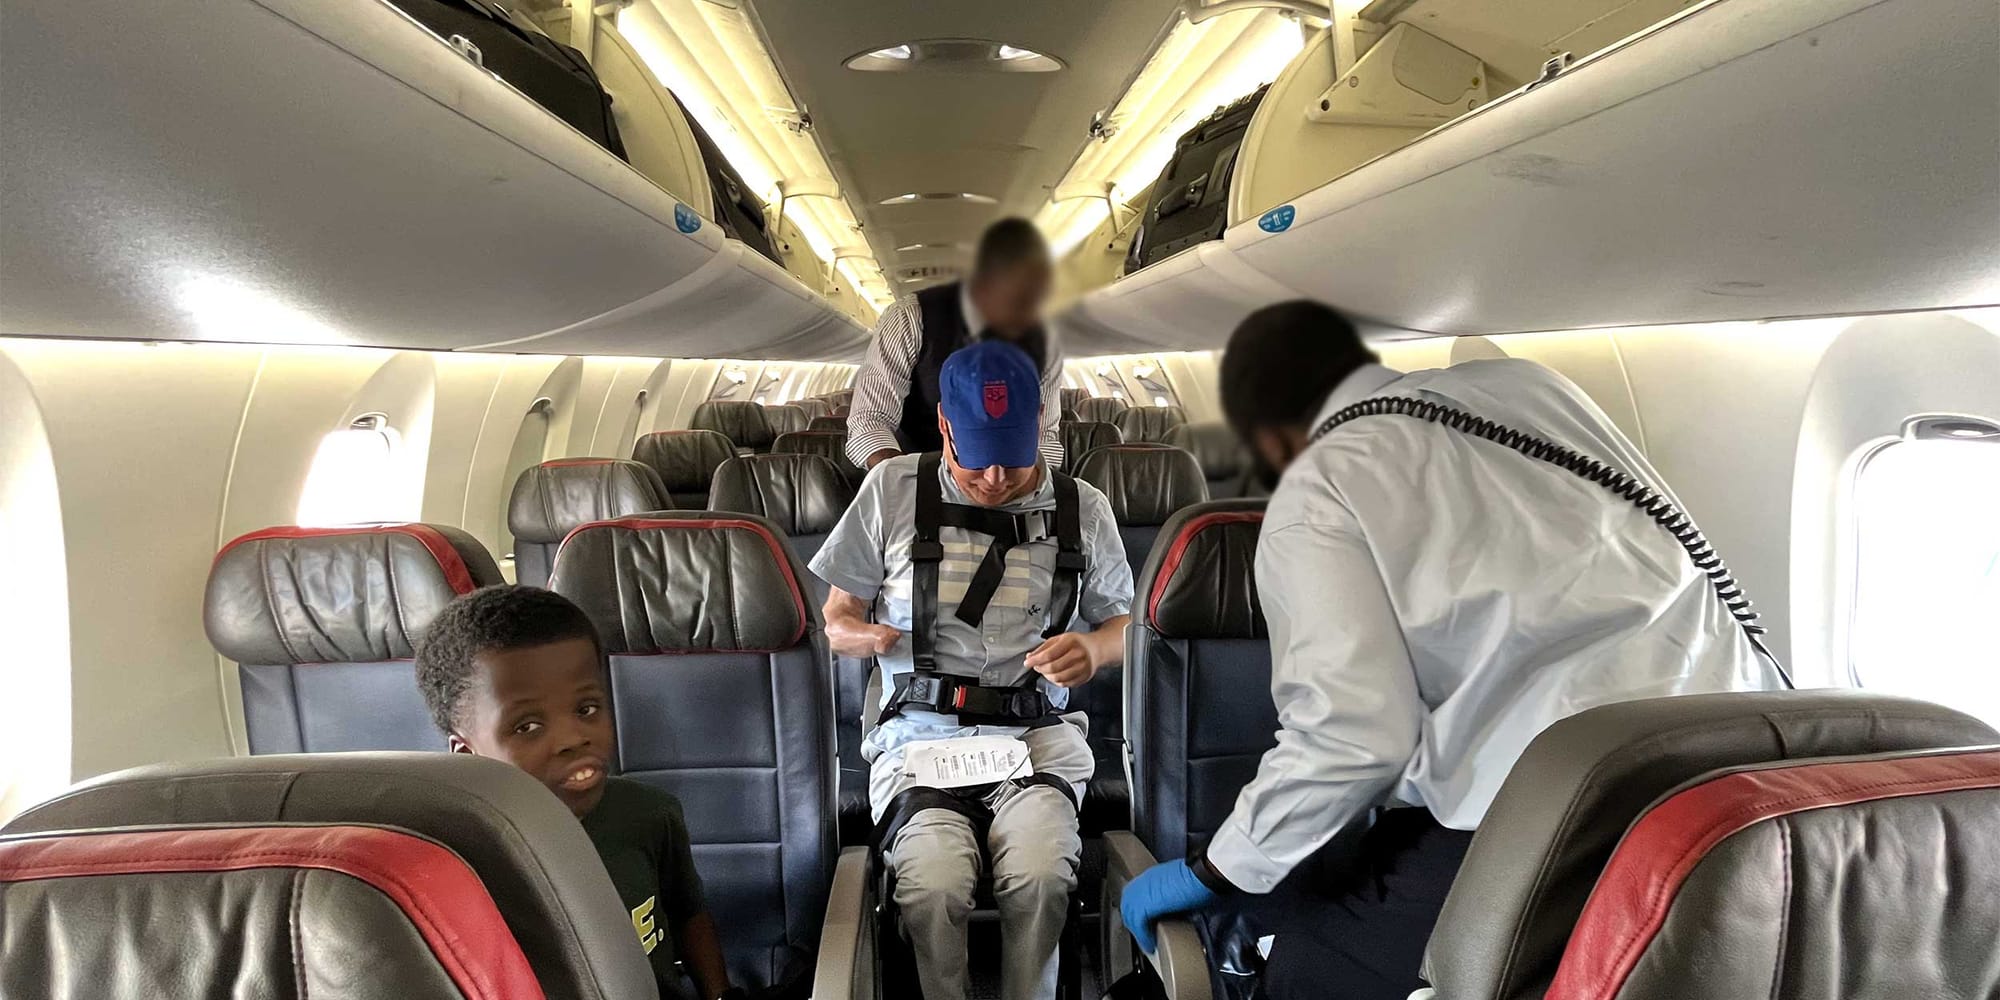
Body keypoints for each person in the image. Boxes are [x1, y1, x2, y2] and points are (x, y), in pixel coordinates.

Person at [1118, 300, 1787, 1000]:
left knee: (1307, 970)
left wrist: (1217, 870)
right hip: (1734, 762)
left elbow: (1352, 738)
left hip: (1560, 811)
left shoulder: (1318, 491)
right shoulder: (1538, 386)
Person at [810, 340, 1134, 1000]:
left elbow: (1130, 626)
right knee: (932, 882)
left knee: (1042, 874)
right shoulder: (890, 490)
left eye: (1011, 461)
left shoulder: (1083, 508)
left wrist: (1096, 650)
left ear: (1040, 425)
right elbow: (834, 615)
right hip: (920, 737)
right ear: (945, 427)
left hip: (1034, 736)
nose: (991, 479)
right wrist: (856, 633)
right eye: (973, 459)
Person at [414, 585, 741, 1000]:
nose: (573, 739)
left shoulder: (648, 814)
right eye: (527, 726)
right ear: (467, 752)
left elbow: (687, 912)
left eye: (586, 709)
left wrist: (720, 994)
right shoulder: (454, 865)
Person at [846, 218, 1066, 471]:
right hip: (918, 472)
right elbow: (869, 420)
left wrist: (1026, 486)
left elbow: (1045, 435)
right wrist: (903, 481)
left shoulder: (1045, 338)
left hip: (1012, 483)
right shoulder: (911, 317)